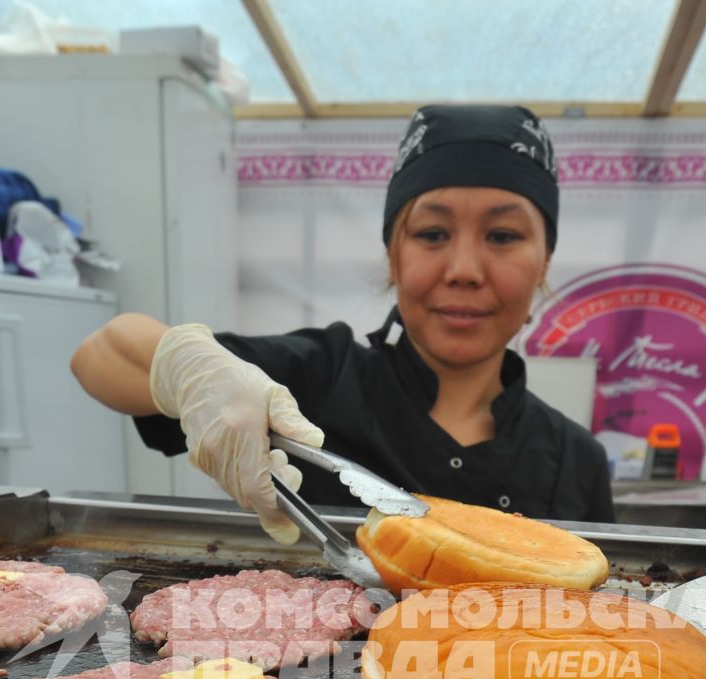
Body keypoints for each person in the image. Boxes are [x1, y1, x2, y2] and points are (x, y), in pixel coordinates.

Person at [70, 105, 614, 544]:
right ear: (393, 255)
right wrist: (192, 372)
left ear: (544, 262)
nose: (464, 271)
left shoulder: (577, 459)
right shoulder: (319, 376)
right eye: (431, 234)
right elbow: (101, 354)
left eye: (502, 236)